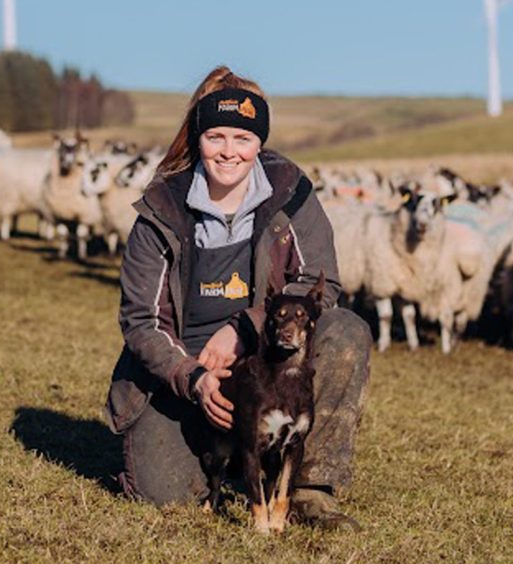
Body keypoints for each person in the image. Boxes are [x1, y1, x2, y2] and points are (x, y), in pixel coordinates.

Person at [104, 66, 371, 531]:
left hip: (265, 360)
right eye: (216, 138)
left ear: (259, 142)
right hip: (183, 374)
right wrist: (196, 378)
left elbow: (317, 283)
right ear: (199, 137)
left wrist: (243, 326)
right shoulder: (162, 209)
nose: (229, 152)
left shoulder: (290, 193)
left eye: (243, 139)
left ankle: (308, 488)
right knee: (165, 495)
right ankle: (230, 463)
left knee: (345, 329)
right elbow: (140, 320)